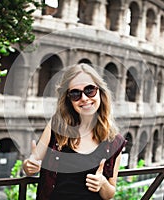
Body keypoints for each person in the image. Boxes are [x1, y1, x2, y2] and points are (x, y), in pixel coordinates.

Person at [23, 63, 126, 200]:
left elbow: (109, 194)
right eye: (75, 93)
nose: (84, 98)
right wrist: (29, 166)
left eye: (90, 90)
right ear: (68, 99)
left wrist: (102, 183)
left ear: (100, 91)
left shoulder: (114, 140)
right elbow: (32, 162)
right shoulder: (56, 126)